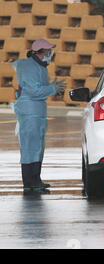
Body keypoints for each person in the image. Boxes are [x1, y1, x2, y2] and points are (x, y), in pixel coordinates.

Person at [12, 39, 66, 193]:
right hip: (30, 112)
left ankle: (35, 179)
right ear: (41, 52)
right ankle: (30, 182)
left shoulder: (39, 67)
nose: (51, 54)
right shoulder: (29, 66)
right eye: (48, 51)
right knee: (31, 147)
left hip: (36, 112)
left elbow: (37, 88)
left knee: (37, 147)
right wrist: (53, 88)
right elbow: (33, 91)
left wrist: (51, 87)